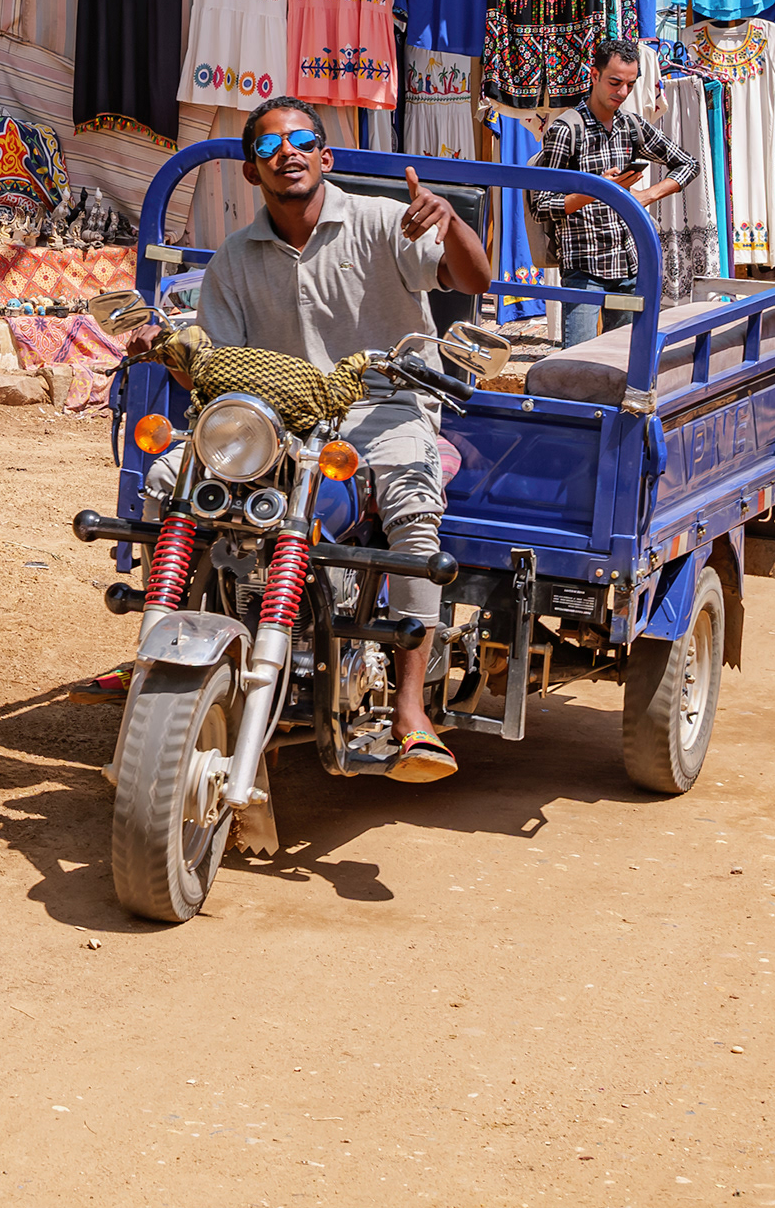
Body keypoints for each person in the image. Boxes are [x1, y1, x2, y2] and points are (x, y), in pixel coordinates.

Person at [144, 96, 491, 781]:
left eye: (302, 140)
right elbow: (216, 365)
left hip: (383, 404)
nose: (287, 152)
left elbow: (473, 277)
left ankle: (411, 709)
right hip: (280, 413)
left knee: (412, 504)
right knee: (168, 481)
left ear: (325, 157)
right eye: (269, 145)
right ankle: (161, 647)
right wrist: (165, 347)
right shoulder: (234, 258)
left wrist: (449, 222)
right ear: (251, 171)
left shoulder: (384, 221)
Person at [531, 38, 698, 349]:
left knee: (620, 357)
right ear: (594, 75)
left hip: (629, 266)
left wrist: (645, 196)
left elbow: (688, 164)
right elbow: (540, 206)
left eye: (630, 85)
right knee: (578, 361)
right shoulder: (567, 130)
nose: (622, 92)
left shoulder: (630, 126)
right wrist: (598, 189)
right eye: (615, 82)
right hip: (584, 269)